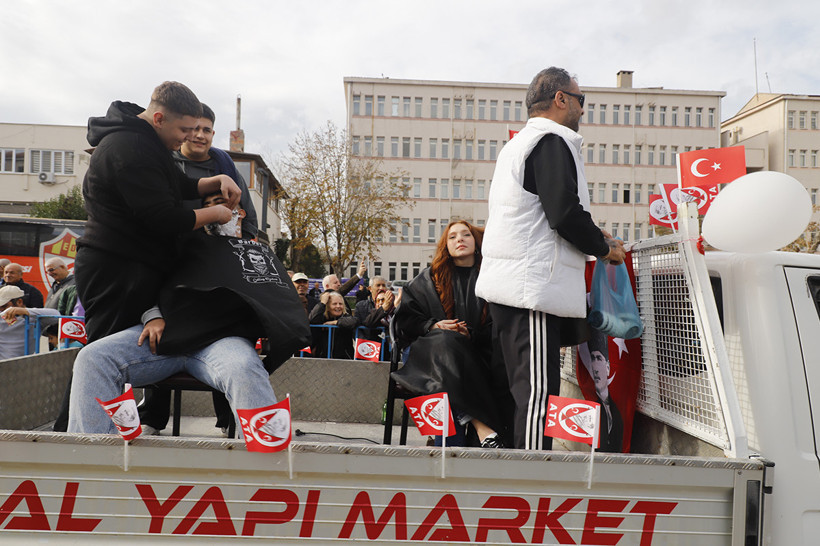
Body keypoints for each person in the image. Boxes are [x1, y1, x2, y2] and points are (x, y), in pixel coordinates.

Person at [475, 67, 625, 451]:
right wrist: (604, 248)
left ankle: (519, 478)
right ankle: (531, 487)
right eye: (581, 100)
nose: (582, 109)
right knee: (539, 396)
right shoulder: (551, 140)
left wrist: (594, 234)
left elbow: (544, 212)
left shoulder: (521, 142)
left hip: (515, 288)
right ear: (561, 99)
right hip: (532, 291)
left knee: (522, 392)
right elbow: (563, 214)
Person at [69, 200, 309, 436]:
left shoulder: (258, 254)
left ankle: (267, 466)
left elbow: (279, 300)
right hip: (164, 337)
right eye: (210, 205)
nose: (218, 210)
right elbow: (143, 282)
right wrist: (151, 315)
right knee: (93, 358)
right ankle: (92, 461)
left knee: (246, 369)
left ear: (241, 213)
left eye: (223, 204)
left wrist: (274, 326)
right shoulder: (178, 243)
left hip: (222, 342)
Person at [74, 81, 240, 344]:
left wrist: (217, 179)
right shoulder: (131, 148)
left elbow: (177, 186)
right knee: (104, 357)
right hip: (115, 272)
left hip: (136, 268)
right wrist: (217, 214)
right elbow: (164, 218)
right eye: (185, 129)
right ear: (160, 118)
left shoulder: (149, 142)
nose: (188, 137)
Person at [393, 221, 512, 448]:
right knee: (445, 342)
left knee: (452, 349)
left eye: (466, 235)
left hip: (477, 356)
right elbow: (405, 321)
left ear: (476, 243)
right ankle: (479, 426)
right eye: (452, 236)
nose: (459, 239)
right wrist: (434, 326)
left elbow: (500, 327)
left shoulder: (492, 279)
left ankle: (448, 449)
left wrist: (471, 335)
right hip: (429, 357)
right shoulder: (429, 279)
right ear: (445, 246)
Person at [174, 103, 259, 239]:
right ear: (185, 130)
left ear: (212, 134)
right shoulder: (167, 166)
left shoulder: (229, 171)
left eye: (206, 130)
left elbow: (250, 222)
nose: (200, 135)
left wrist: (237, 251)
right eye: (195, 129)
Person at [578, 328, 623, 452]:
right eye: (592, 358)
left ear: (607, 367)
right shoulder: (594, 405)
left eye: (599, 358)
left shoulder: (617, 410)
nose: (596, 368)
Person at [0, 285, 58, 360]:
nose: (1, 310)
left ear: (19, 302)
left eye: (4, 306)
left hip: (23, 364)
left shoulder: (33, 318)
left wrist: (26, 311)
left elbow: (56, 315)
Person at [308, 291, 357, 359]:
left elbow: (354, 321)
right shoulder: (322, 317)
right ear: (327, 306)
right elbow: (312, 319)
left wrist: (336, 322)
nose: (338, 306)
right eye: (334, 304)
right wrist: (322, 303)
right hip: (322, 358)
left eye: (340, 304)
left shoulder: (345, 316)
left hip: (344, 359)